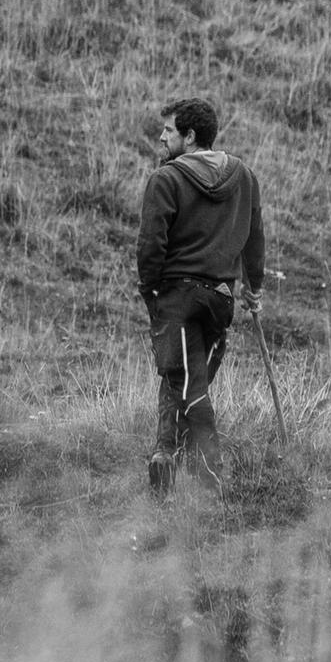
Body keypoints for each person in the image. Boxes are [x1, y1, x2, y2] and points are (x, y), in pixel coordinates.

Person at [136, 95, 266, 495]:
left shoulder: (166, 179)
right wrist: (253, 288)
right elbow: (254, 237)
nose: (161, 137)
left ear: (190, 137)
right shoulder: (243, 176)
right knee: (182, 374)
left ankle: (213, 474)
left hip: (176, 297)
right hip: (220, 300)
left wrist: (150, 289)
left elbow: (150, 245)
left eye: (169, 130)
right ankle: (165, 455)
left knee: (191, 385)